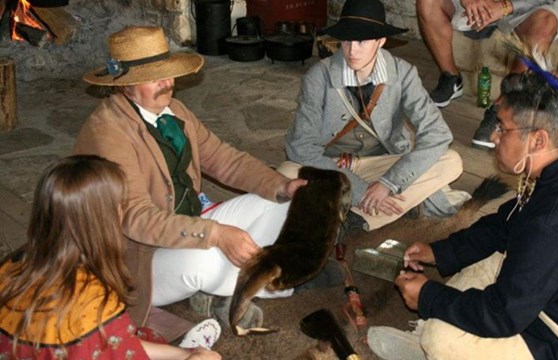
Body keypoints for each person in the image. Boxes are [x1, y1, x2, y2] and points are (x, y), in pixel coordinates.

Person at [368, 42, 558, 359]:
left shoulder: (552, 225)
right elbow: (508, 221)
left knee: (441, 339)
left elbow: (502, 315)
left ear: (539, 139)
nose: (494, 136)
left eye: (502, 127)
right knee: (481, 265)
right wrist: (440, 252)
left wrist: (428, 296)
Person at [73, 26, 322, 332]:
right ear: (125, 85)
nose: (168, 83)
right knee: (203, 263)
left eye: (168, 73)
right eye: (155, 77)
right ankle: (274, 280)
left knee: (286, 205)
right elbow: (136, 219)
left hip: (190, 223)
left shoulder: (174, 110)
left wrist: (281, 185)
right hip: (137, 256)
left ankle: (229, 286)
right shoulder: (107, 133)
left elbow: (224, 159)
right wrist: (215, 235)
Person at [0, 155, 221, 359]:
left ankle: (186, 350)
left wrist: (182, 354)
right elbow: (123, 351)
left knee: (134, 335)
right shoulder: (94, 299)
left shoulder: (13, 264)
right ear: (103, 220)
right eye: (120, 204)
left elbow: (117, 343)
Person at [280, 0, 467, 233]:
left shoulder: (403, 73)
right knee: (287, 174)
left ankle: (355, 221)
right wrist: (359, 190)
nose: (351, 50)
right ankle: (386, 205)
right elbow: (301, 147)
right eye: (346, 40)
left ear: (381, 41)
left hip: (383, 164)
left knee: (450, 161)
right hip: (332, 167)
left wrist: (389, 183)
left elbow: (437, 135)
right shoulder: (319, 76)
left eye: (361, 41)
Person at [416, 0, 558, 149]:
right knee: (428, 3)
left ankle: (503, 105)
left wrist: (505, 6)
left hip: (528, 6)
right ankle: (451, 77)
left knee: (547, 21)